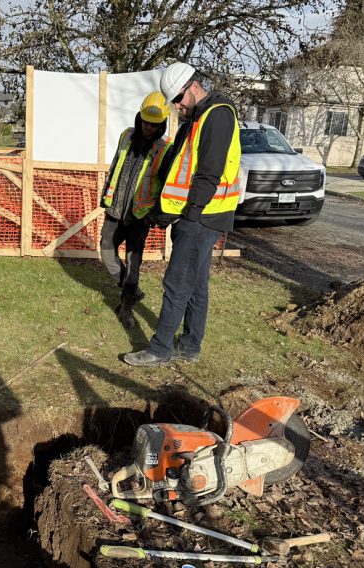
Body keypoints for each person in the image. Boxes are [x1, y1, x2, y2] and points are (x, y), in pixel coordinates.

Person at [124, 62, 241, 366]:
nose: (176, 106)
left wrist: (189, 215)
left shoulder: (217, 116)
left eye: (178, 99)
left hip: (202, 217)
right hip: (199, 215)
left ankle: (160, 348)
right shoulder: (198, 117)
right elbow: (178, 165)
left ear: (194, 86)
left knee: (177, 283)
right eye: (173, 102)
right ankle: (189, 346)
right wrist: (163, 213)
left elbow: (208, 174)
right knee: (196, 284)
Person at [100, 92, 171, 329]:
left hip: (140, 215)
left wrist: (154, 214)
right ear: (139, 117)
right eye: (145, 122)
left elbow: (166, 186)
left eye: (154, 124)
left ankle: (127, 307)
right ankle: (133, 290)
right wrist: (105, 196)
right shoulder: (126, 135)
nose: (148, 128)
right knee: (106, 250)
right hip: (116, 208)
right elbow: (114, 165)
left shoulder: (164, 150)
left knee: (133, 263)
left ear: (161, 124)